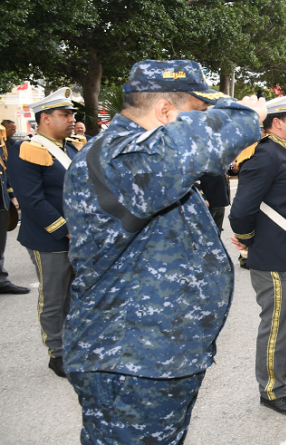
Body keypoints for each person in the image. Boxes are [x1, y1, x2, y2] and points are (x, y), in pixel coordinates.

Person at [62, 60, 264, 442]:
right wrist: (245, 111)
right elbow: (215, 136)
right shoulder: (120, 157)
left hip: (156, 358)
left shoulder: (137, 158)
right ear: (166, 112)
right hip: (131, 362)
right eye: (197, 112)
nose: (203, 119)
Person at [229, 88, 286, 417]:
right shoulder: (265, 154)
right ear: (277, 123)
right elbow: (241, 210)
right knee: (278, 324)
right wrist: (247, 239)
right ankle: (271, 388)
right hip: (275, 257)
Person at [7, 87, 79, 378]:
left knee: (75, 296)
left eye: (73, 114)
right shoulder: (27, 149)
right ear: (45, 118)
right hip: (49, 238)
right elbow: (31, 200)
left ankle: (75, 345)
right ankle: (57, 353)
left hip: (80, 235)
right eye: (65, 115)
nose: (72, 119)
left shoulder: (72, 147)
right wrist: (65, 230)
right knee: (54, 298)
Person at [0, 122, 28, 296]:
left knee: (0, 243)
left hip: (1, 201)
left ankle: (1, 279)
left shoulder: (1, 147)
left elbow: (5, 172)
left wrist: (11, 194)